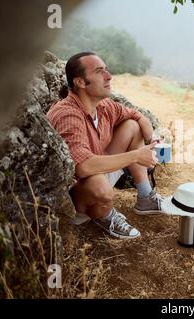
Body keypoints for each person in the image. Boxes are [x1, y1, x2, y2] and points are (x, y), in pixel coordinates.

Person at [47, 51, 163, 240]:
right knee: (101, 188)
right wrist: (136, 156)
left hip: (97, 171)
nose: (109, 76)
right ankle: (104, 216)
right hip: (74, 193)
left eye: (106, 70)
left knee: (132, 127)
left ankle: (146, 197)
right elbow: (83, 167)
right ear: (80, 82)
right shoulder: (67, 115)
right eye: (100, 71)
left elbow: (137, 116)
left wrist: (152, 138)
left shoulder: (104, 106)